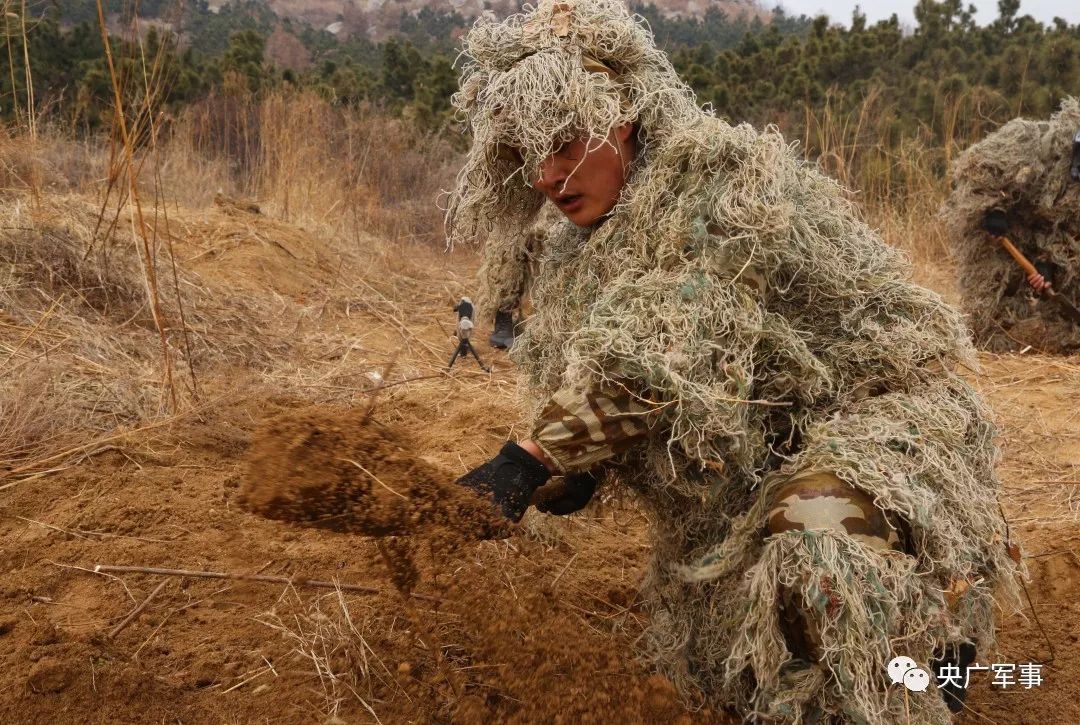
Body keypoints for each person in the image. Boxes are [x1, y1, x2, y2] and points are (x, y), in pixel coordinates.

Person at [449, 2, 1021, 721]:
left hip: (876, 417)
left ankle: (939, 631)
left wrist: (529, 457)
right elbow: (601, 378)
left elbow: (663, 361)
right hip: (751, 471)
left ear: (622, 116)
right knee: (740, 663)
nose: (547, 175)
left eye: (565, 144)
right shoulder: (578, 243)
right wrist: (578, 468)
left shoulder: (721, 182)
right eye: (529, 156)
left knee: (819, 573)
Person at [944, 102, 1080, 353]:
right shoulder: (1032, 140)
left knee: (1072, 269)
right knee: (992, 296)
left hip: (1035, 232)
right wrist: (994, 209)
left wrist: (1046, 263)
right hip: (992, 225)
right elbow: (977, 166)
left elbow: (1065, 229)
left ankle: (1067, 335)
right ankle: (985, 337)